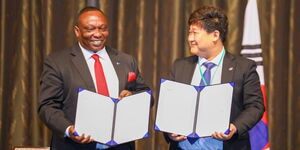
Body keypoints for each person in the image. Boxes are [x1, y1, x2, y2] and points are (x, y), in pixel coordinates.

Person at [38, 7, 151, 150]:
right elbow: (47, 105)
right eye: (90, 29)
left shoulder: (126, 60)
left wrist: (132, 97)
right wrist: (68, 129)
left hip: (120, 146)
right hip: (75, 146)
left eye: (103, 28)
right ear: (77, 31)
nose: (97, 34)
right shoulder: (57, 62)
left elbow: (146, 95)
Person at [166, 6, 265, 150]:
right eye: (189, 33)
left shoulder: (244, 67)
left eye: (194, 33)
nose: (190, 38)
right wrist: (170, 130)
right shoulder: (180, 66)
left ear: (215, 35)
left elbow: (255, 106)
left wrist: (234, 127)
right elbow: (169, 107)